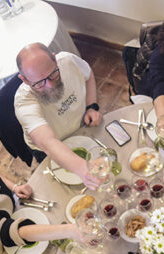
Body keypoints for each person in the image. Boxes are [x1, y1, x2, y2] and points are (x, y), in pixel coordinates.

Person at [14, 43, 103, 189]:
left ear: (55, 60)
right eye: (39, 83)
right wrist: (83, 169)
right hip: (51, 150)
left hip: (81, 128)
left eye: (52, 75)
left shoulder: (68, 61)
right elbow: (47, 142)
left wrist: (91, 106)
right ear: (25, 80)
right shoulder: (23, 102)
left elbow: (88, 75)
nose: (49, 85)